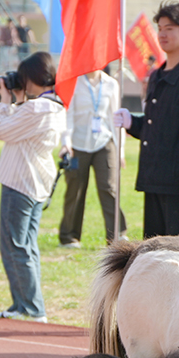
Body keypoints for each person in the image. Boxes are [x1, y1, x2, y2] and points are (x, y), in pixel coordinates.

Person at [113, 2, 179, 239]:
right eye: (159, 28)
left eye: (169, 28)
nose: (162, 34)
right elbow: (157, 126)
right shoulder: (157, 76)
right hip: (155, 178)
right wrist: (132, 123)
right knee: (154, 251)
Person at [0, 52, 66, 323]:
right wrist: (20, 100)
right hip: (35, 182)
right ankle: (26, 304)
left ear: (33, 77)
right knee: (26, 246)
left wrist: (4, 100)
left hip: (20, 182)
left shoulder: (37, 108)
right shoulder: (55, 106)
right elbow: (17, 130)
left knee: (15, 246)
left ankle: (30, 308)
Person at [59, 69, 127, 248]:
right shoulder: (74, 82)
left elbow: (115, 119)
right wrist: (66, 142)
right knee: (75, 188)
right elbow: (68, 115)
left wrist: (120, 150)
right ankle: (69, 236)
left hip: (104, 142)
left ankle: (117, 235)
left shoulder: (112, 84)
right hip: (77, 144)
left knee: (109, 187)